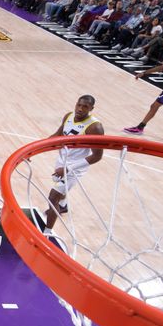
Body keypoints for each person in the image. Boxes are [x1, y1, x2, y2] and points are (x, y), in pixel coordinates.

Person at [44, 95, 104, 235]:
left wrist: (67, 169)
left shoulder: (95, 127)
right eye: (79, 105)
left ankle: (47, 232)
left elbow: (97, 156)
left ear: (91, 109)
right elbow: (58, 134)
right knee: (61, 192)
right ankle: (63, 206)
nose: (80, 109)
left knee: (53, 197)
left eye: (85, 107)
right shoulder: (69, 116)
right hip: (62, 160)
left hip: (75, 167)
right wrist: (33, 149)